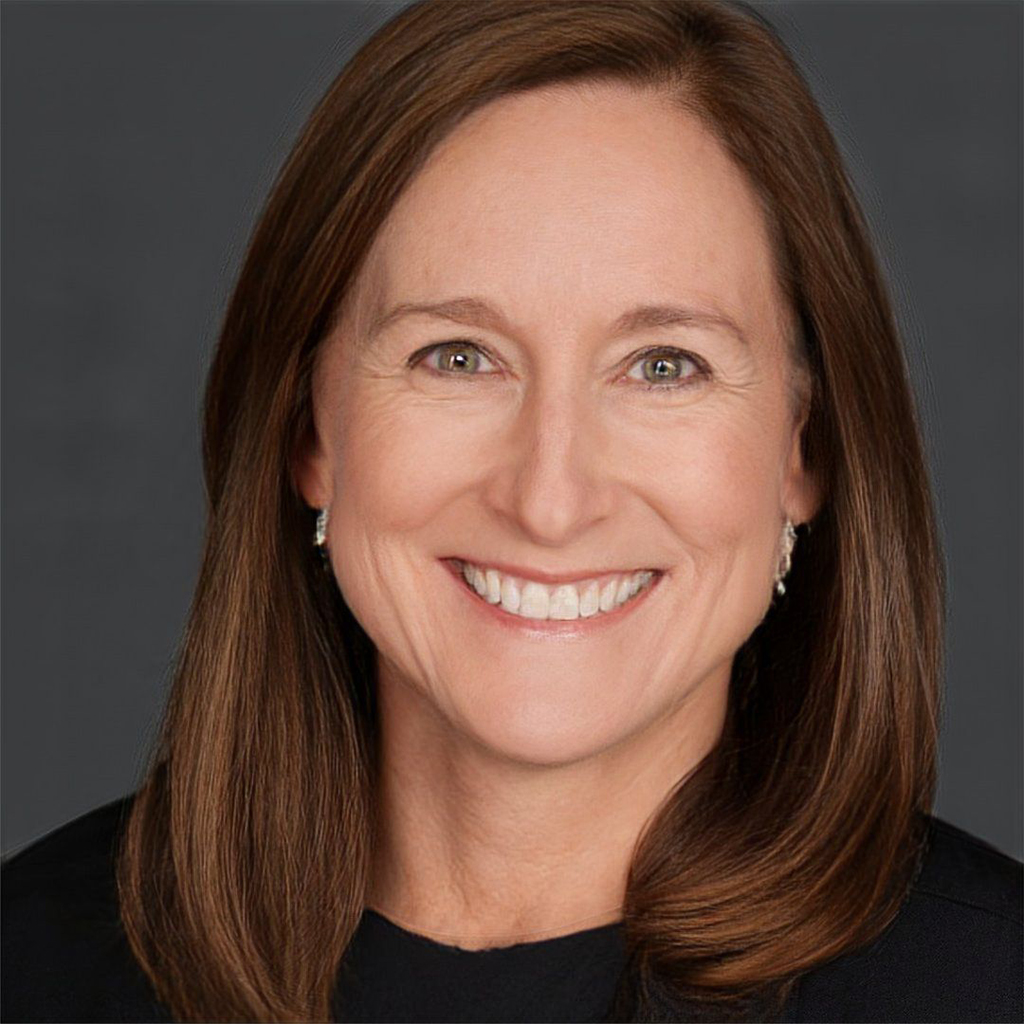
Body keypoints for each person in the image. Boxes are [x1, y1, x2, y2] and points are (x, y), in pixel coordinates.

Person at [3, 1, 1021, 1022]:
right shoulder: (37, 963)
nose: (549, 499)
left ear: (803, 449)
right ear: (310, 430)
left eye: (664, 366)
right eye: (457, 357)